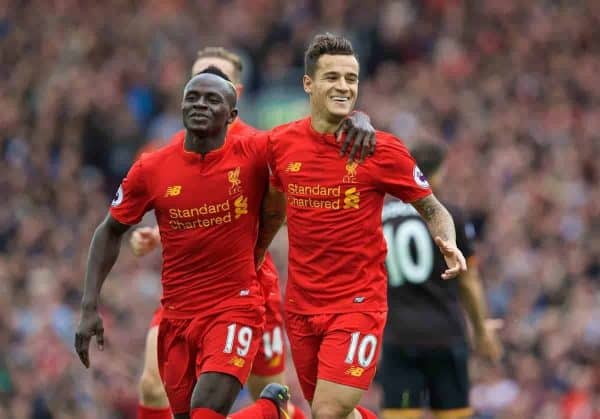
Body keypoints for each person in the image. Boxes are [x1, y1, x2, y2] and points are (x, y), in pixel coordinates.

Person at [130, 46, 375, 419]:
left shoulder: (260, 146)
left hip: (250, 291)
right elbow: (177, 213)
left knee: (275, 393)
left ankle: (278, 411)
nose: (204, 89)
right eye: (197, 81)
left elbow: (316, 144)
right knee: (154, 385)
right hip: (188, 296)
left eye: (218, 79)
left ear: (236, 93)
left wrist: (357, 117)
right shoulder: (164, 153)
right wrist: (150, 235)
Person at [265, 33, 468, 419]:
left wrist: (449, 239)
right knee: (335, 412)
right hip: (301, 305)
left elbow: (432, 206)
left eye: (351, 79)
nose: (344, 86)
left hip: (357, 304)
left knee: (326, 411)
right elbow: (265, 206)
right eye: (332, 77)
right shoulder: (279, 144)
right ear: (308, 83)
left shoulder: (379, 149)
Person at [75, 71, 290, 419]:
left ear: (232, 116)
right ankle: (268, 412)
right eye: (193, 97)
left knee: (205, 412)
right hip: (176, 318)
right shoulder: (152, 168)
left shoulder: (254, 153)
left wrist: (358, 118)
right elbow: (109, 231)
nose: (200, 104)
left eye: (212, 99)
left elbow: (313, 138)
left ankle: (267, 410)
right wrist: (88, 307)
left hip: (234, 308)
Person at [378, 142, 503, 419]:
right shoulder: (449, 216)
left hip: (398, 336)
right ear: (433, 175)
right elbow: (469, 281)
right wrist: (481, 330)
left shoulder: (381, 218)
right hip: (444, 335)